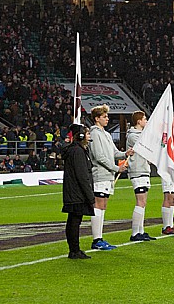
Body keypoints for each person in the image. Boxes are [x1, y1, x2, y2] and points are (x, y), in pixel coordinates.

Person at [89, 105, 132, 250]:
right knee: (98, 206)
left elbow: (114, 153)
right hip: (100, 174)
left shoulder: (106, 134)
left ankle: (99, 237)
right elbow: (99, 156)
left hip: (108, 175)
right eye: (104, 116)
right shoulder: (94, 134)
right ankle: (96, 239)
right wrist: (116, 168)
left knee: (103, 206)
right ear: (97, 119)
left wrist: (126, 153)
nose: (107, 119)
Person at [62, 124, 94, 260]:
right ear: (80, 136)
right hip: (77, 193)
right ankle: (74, 250)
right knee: (75, 221)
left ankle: (74, 249)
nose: (89, 136)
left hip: (73, 191)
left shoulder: (76, 150)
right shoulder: (78, 152)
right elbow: (82, 176)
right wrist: (90, 196)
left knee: (73, 220)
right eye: (87, 133)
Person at [126, 111, 156, 242]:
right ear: (139, 121)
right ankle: (134, 232)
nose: (146, 121)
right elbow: (146, 146)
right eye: (145, 119)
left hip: (144, 169)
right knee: (140, 201)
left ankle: (141, 230)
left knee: (143, 202)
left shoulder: (142, 134)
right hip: (137, 170)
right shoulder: (133, 136)